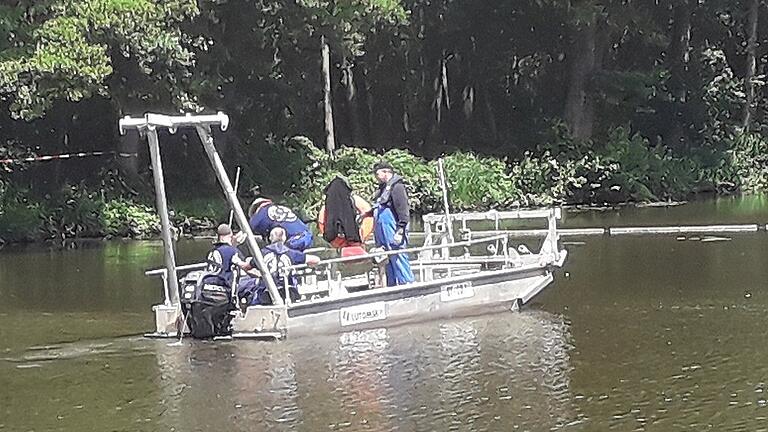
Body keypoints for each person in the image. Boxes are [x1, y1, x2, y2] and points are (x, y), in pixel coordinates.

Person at [186, 224, 251, 338]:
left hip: (208, 287)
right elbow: (245, 267)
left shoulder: (213, 251)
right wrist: (254, 264)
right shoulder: (232, 251)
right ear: (230, 235)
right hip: (223, 289)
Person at [241, 226, 320, 305]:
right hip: (288, 292)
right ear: (284, 238)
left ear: (270, 238)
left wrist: (239, 262)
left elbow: (247, 266)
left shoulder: (262, 254)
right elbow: (316, 260)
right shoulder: (291, 253)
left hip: (266, 293)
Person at [370, 160, 415, 286]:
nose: (376, 177)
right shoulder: (383, 189)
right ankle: (391, 285)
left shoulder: (397, 187)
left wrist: (400, 230)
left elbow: (403, 211)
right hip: (382, 232)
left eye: (377, 174)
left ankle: (407, 284)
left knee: (398, 255)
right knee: (385, 258)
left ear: (385, 172)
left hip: (394, 229)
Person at [247, 197, 314, 251]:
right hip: (308, 236)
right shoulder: (282, 208)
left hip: (293, 241)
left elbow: (252, 226)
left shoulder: (261, 215)